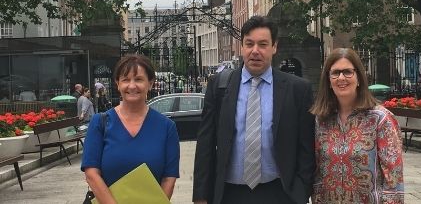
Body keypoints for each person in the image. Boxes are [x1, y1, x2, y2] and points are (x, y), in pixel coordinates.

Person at [193, 16, 315, 204]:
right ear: (242, 47)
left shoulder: (298, 89)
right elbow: (205, 145)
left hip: (279, 193)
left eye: (263, 44)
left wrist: (300, 193)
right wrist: (201, 196)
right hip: (229, 194)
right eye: (249, 44)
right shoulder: (219, 86)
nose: (255, 51)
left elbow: (306, 147)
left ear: (274, 47)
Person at [81, 54, 180, 203]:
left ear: (150, 83)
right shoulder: (100, 123)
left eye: (139, 79)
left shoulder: (166, 127)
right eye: (126, 79)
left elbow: (169, 178)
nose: (132, 86)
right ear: (118, 83)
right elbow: (91, 174)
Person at [310, 48, 404, 203]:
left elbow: (393, 176)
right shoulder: (321, 120)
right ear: (328, 80)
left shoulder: (380, 119)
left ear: (359, 77)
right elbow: (317, 171)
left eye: (347, 72)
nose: (341, 78)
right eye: (335, 73)